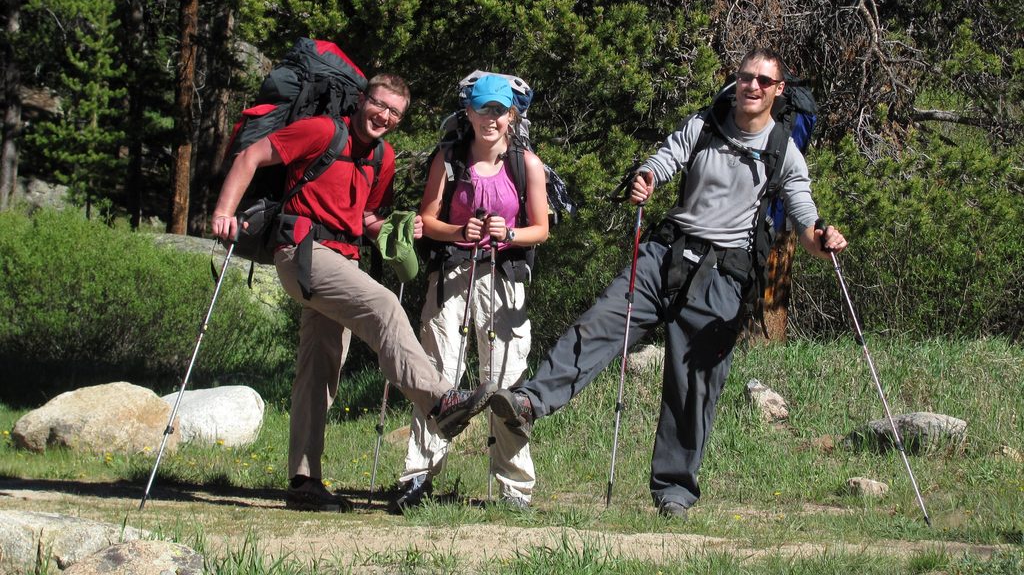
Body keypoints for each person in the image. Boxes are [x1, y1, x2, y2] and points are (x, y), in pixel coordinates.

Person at [486, 49, 848, 517]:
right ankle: (530, 402)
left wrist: (822, 237)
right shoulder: (705, 125)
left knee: (694, 382)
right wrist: (647, 177)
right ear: (735, 81)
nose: (752, 86)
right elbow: (666, 157)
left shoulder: (783, 151)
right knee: (599, 324)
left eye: (763, 80)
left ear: (778, 90)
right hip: (666, 255)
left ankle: (674, 490)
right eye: (745, 77)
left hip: (723, 276)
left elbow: (802, 216)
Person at [211, 71, 496, 512]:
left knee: (319, 367)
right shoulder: (322, 130)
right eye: (379, 105)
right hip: (303, 253)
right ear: (362, 100)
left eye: (394, 112)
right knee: (383, 304)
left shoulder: (383, 157)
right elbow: (252, 155)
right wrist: (225, 212)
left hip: (341, 260)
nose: (384, 116)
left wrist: (401, 227)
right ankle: (439, 401)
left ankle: (303, 482)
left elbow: (364, 218)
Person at [393, 75, 550, 512]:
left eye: (499, 111)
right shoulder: (448, 160)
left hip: (505, 282)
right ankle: (418, 477)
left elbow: (541, 229)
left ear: (512, 115)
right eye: (483, 110)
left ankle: (514, 488)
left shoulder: (527, 165)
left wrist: (510, 232)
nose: (491, 119)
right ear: (468, 113)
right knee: (438, 372)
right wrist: (461, 231)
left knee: (506, 381)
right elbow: (428, 219)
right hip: (453, 275)